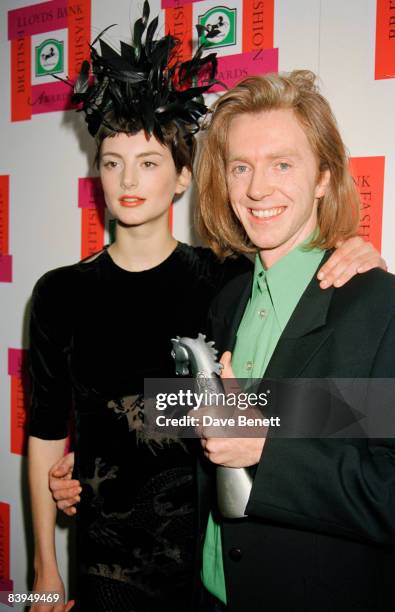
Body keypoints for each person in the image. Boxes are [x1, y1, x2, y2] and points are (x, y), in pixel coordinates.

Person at [28, 5, 253, 611]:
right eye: (112, 162)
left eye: (149, 162)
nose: (128, 178)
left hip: (210, 567)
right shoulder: (58, 294)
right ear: (97, 173)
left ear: (182, 176)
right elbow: (47, 433)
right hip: (104, 571)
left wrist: (353, 250)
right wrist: (44, 570)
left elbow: (268, 401)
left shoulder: (226, 278)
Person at [193, 70, 395, 612]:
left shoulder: (379, 307)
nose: (258, 188)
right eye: (241, 167)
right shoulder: (226, 301)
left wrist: (268, 449)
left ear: (324, 177)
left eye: (283, 164)